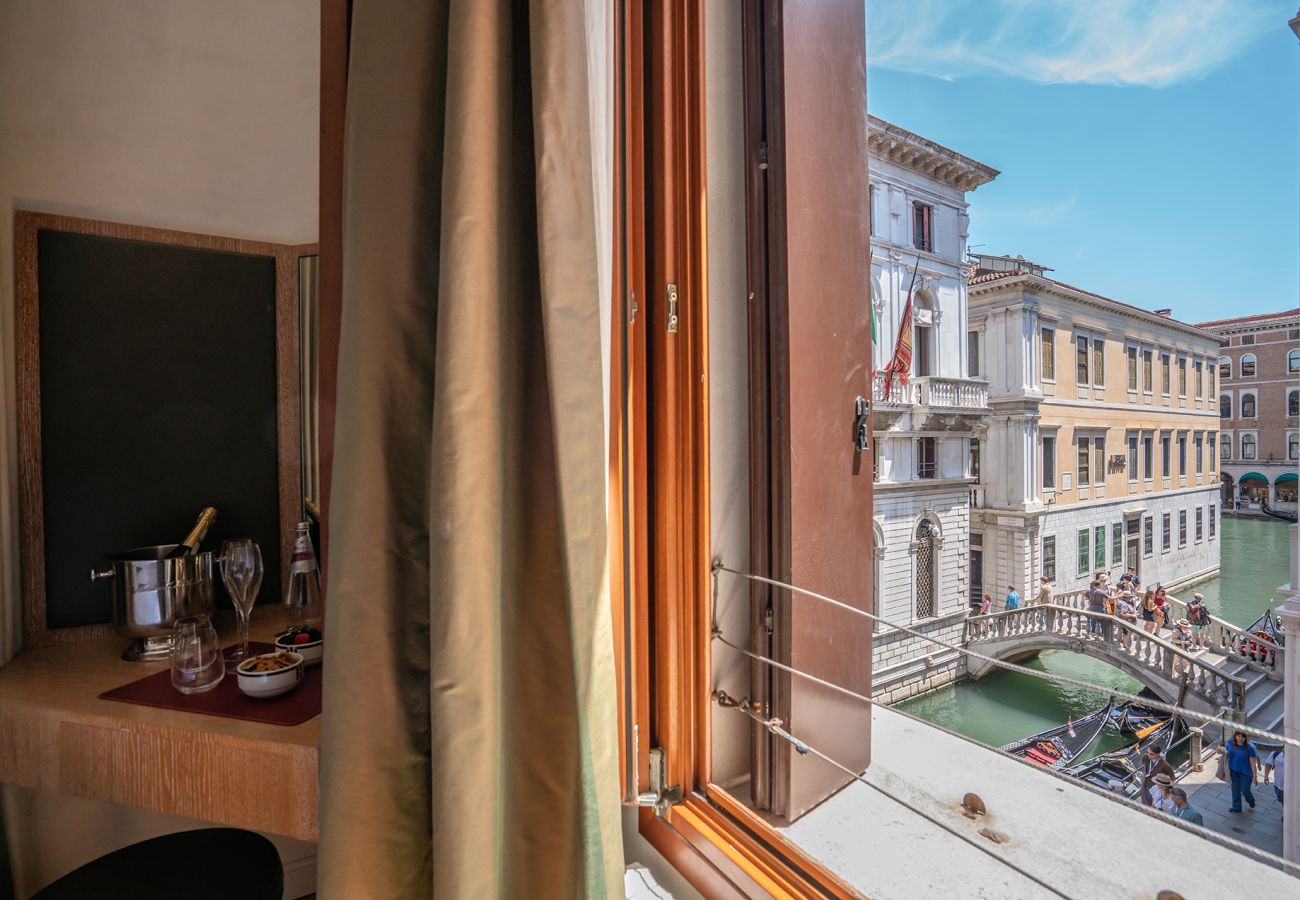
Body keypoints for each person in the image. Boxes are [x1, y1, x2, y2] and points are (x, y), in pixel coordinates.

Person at [1224, 730, 1259, 813]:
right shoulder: (1230, 743)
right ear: (1235, 736)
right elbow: (1227, 752)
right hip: (1233, 770)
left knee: (1245, 789)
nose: (1240, 738)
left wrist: (1255, 776)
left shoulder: (1250, 748)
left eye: (1243, 737)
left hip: (1246, 772)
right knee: (1235, 789)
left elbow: (1253, 763)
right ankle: (1236, 807)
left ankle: (1250, 800)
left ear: (1245, 738)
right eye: (1238, 736)